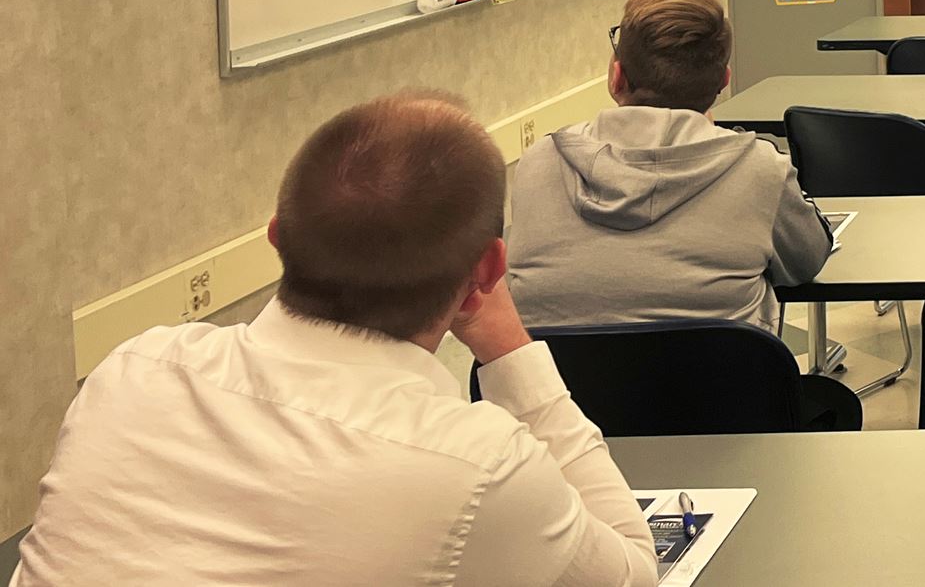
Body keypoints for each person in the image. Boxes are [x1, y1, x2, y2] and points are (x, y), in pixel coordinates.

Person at [12, 92, 658, 586]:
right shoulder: (476, 465)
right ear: (487, 272)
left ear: (275, 239)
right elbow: (633, 568)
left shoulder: (134, 369)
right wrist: (511, 351)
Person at [508, 0, 843, 419]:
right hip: (731, 433)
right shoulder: (761, 168)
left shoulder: (536, 165)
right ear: (723, 81)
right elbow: (806, 262)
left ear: (616, 76)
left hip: (565, 438)